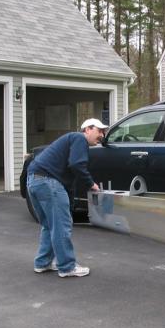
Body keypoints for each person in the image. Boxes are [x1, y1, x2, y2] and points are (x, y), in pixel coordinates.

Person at [27, 118, 107, 278]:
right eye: (99, 131)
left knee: (49, 225)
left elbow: (69, 178)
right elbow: (77, 165)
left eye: (103, 132)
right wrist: (91, 184)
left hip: (35, 180)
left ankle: (43, 263)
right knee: (61, 225)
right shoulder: (79, 138)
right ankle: (67, 267)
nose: (102, 135)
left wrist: (70, 203)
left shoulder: (70, 140)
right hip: (48, 182)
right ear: (87, 129)